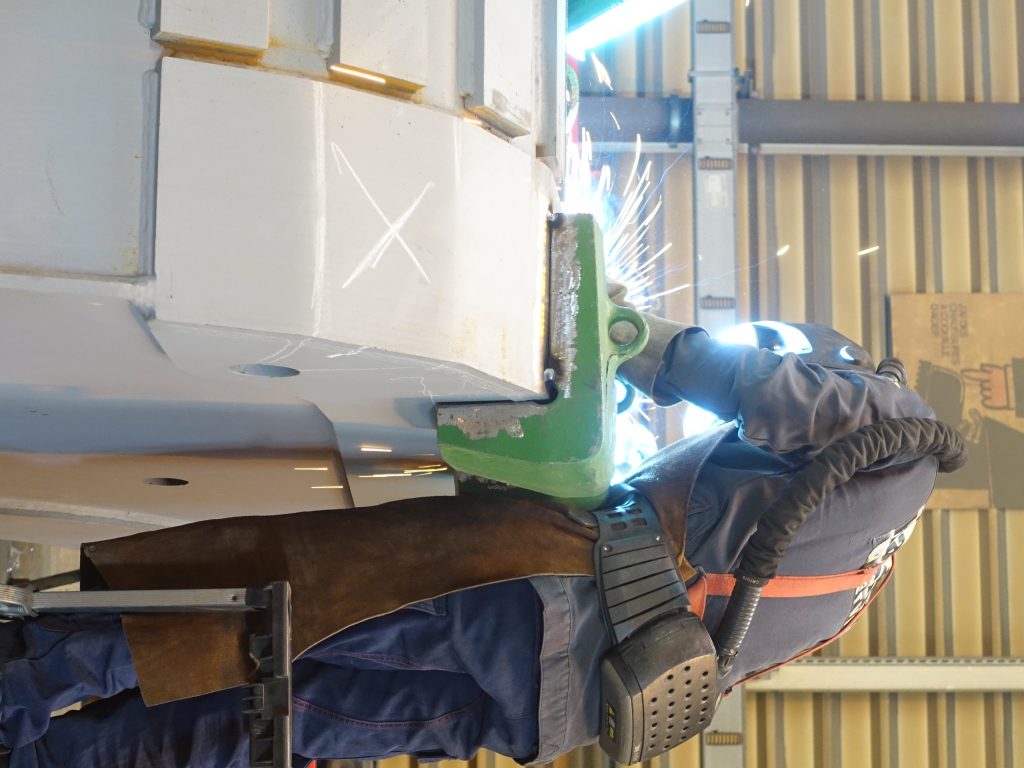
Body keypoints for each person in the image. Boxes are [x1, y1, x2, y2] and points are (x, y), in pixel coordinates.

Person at [0, 308, 958, 768]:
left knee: (265, 606)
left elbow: (760, 389)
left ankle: (22, 685)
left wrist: (621, 326)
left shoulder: (900, 422)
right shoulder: (863, 574)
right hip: (550, 711)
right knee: (283, 715)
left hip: (539, 596)